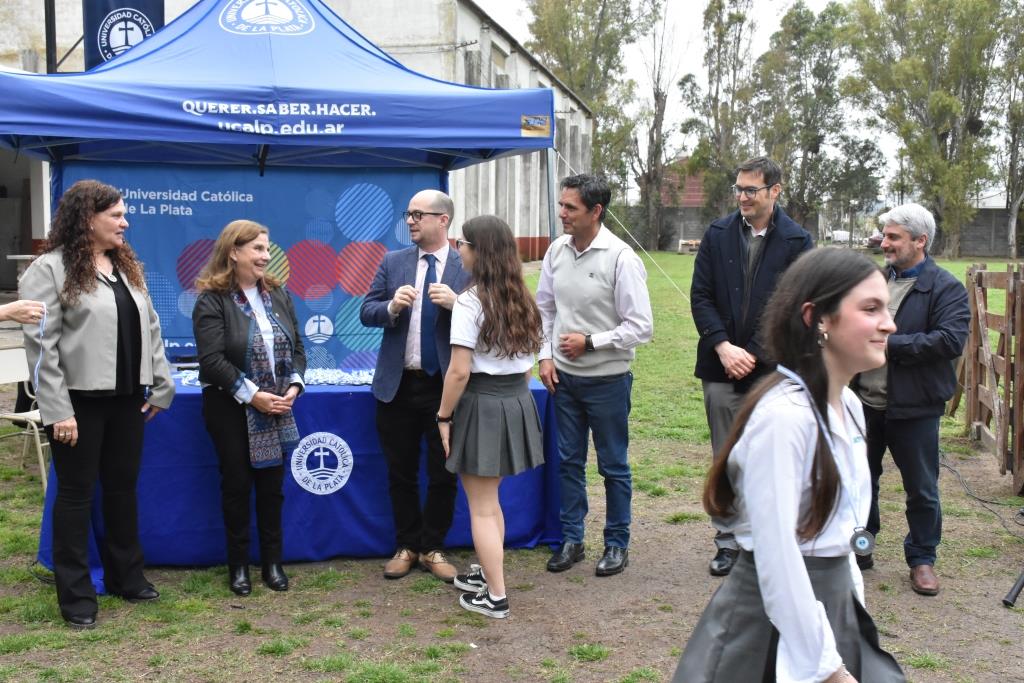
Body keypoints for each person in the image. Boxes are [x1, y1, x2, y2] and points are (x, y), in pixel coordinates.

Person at [674, 248, 906, 683]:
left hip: (830, 611)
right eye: (870, 309)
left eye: (887, 308)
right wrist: (828, 670)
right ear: (817, 319)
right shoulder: (784, 418)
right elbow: (777, 556)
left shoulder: (849, 405)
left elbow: (842, 534)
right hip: (768, 625)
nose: (889, 324)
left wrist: (850, 614)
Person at [19, 179, 175, 630]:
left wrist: (160, 384)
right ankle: (76, 595)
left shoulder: (125, 266)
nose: (126, 223)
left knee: (122, 490)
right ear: (88, 218)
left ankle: (128, 577)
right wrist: (58, 410)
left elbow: (151, 328)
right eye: (116, 215)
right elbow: (42, 346)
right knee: (75, 495)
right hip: (77, 404)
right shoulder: (49, 269)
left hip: (127, 400)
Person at [691, 156, 813, 576]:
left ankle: (764, 541)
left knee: (769, 458)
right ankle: (727, 541)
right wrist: (724, 347)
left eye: (751, 190)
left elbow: (794, 305)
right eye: (738, 189)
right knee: (725, 459)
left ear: (774, 191)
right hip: (720, 366)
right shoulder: (717, 234)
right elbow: (700, 295)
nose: (742, 197)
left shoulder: (798, 241)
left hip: (771, 372)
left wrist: (755, 354)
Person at [537, 174, 653, 577]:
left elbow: (641, 327)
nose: (562, 213)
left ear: (596, 211)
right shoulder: (557, 250)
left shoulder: (621, 258)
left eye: (570, 207)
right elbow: (545, 309)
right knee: (568, 462)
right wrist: (545, 356)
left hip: (608, 381)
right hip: (563, 380)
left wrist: (591, 342)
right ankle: (572, 539)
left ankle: (617, 543)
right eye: (562, 205)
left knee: (613, 465)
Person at [851, 203, 969, 595]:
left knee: (921, 487)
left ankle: (922, 559)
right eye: (884, 235)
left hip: (915, 406)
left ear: (920, 241)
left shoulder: (946, 287)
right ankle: (861, 547)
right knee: (860, 480)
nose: (884, 243)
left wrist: (888, 345)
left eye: (893, 237)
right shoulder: (873, 281)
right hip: (864, 402)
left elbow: (950, 340)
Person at [435, 216, 545, 619]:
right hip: (515, 398)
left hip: (482, 403)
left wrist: (443, 416)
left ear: (479, 251)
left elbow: (458, 371)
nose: (458, 250)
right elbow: (527, 366)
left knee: (481, 506)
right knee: (490, 500)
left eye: (461, 243)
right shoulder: (522, 298)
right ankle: (488, 574)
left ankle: (496, 596)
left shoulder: (470, 301)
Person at [360, 189, 471, 582]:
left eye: (418, 214)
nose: (410, 220)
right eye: (408, 214)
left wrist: (458, 304)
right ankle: (406, 546)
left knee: (444, 471)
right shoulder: (393, 262)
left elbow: (491, 320)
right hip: (398, 385)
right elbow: (366, 311)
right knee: (400, 471)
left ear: (443, 220)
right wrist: (391, 307)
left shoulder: (465, 265)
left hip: (445, 387)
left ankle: (432, 547)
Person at [193, 220, 306, 596]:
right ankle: (238, 566)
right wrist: (253, 395)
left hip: (277, 405)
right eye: (257, 248)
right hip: (229, 406)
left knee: (272, 489)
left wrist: (294, 386)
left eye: (266, 248)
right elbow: (211, 361)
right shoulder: (212, 299)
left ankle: (273, 563)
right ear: (233, 252)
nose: (264, 256)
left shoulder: (278, 294)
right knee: (237, 486)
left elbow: (299, 348)